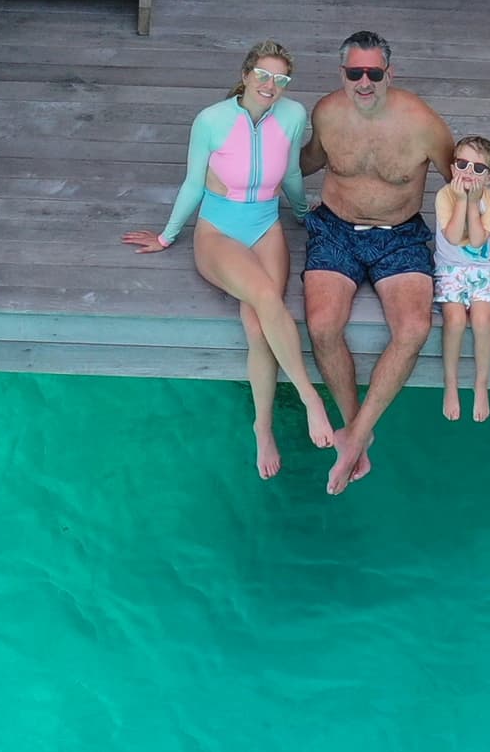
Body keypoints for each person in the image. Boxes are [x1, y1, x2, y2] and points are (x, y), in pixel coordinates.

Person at [124, 42, 339, 480]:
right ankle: (310, 399)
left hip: (265, 227)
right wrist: (167, 237)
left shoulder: (294, 117)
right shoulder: (211, 121)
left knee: (260, 326)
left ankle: (262, 427)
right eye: (262, 75)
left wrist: (301, 214)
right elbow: (191, 184)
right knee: (263, 294)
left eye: (280, 79)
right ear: (245, 74)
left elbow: (293, 174)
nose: (270, 85)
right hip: (218, 232)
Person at [302, 28, 453, 496]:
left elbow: (461, 185)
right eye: (354, 73)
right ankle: (355, 431)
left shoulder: (423, 122)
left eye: (373, 73)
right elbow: (303, 163)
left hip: (401, 235)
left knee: (413, 330)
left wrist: (489, 241)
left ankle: (353, 442)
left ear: (390, 72)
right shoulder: (327, 112)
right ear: (342, 74)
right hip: (334, 228)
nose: (364, 82)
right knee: (323, 326)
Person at [433, 136, 490, 424]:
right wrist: (462, 200)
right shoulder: (444, 195)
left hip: (480, 268)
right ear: (453, 169)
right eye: (462, 164)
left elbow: (476, 242)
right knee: (455, 321)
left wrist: (473, 203)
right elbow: (451, 236)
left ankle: (481, 384)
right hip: (449, 268)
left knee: (483, 320)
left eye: (478, 169)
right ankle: (451, 383)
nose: (468, 173)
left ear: (489, 179)